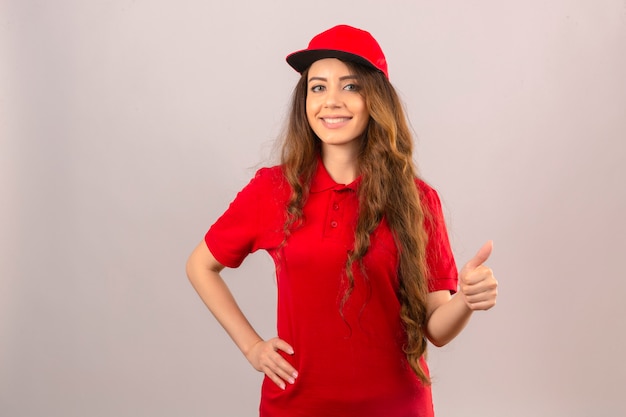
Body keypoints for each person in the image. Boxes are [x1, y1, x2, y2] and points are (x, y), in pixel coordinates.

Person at [186, 24, 498, 417]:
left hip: (397, 407)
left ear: (375, 100)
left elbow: (435, 328)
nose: (331, 101)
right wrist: (252, 347)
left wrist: (466, 301)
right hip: (297, 408)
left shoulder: (418, 200)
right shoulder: (273, 189)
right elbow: (200, 265)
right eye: (318, 87)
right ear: (305, 101)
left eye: (350, 86)